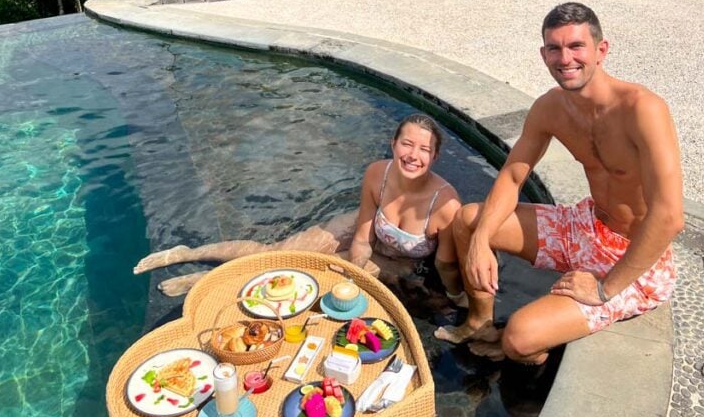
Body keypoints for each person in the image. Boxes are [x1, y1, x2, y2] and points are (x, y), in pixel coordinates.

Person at [435, 1, 684, 364]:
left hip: (632, 258)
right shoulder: (551, 107)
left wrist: (603, 287)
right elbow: (513, 174)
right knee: (468, 221)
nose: (565, 58)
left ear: (601, 50)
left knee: (520, 339)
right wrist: (481, 242)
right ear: (543, 54)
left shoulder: (642, 109)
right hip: (586, 226)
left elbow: (669, 217)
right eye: (555, 48)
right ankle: (479, 322)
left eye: (576, 46)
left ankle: (529, 355)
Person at [134, 113, 466, 302]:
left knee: (308, 270)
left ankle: (206, 280)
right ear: (393, 144)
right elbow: (363, 233)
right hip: (370, 231)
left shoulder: (445, 203)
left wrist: (456, 298)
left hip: (399, 260)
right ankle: (184, 253)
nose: (413, 154)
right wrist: (356, 259)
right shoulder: (378, 173)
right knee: (277, 253)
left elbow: (446, 264)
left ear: (435, 157)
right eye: (406, 143)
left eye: (424, 149)